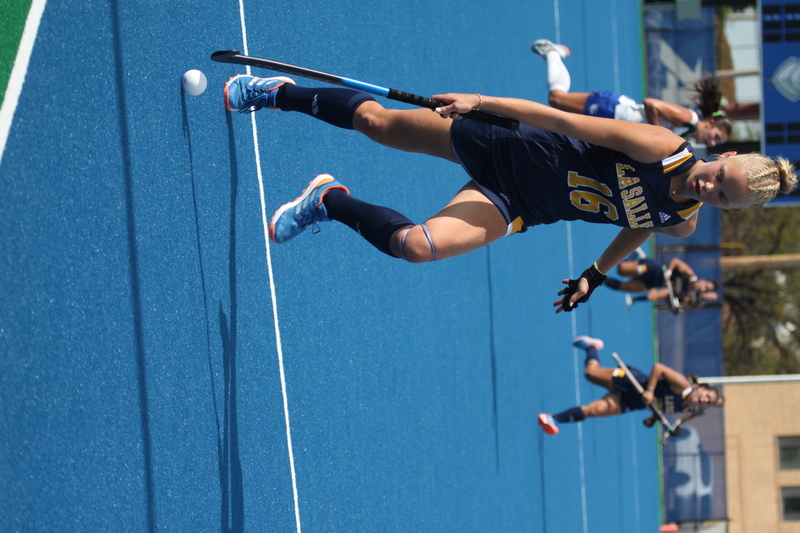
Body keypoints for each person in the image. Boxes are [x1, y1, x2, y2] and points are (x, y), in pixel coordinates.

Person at [223, 72, 796, 313]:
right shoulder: (658, 145)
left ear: (724, 210)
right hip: (509, 145)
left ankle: (327, 201)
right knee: (378, 124)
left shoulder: (684, 219)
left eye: (723, 196)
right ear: (722, 157)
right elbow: (559, 119)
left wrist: (596, 274)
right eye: (721, 176)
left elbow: (642, 223)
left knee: (418, 247)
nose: (711, 186)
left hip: (522, 206)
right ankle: (278, 94)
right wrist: (481, 103)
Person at [531, 39, 732, 147]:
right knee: (557, 100)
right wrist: (658, 132)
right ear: (711, 122)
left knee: (559, 113)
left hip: (614, 123)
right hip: (614, 110)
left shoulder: (686, 135)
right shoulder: (688, 119)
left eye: (716, 142)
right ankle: (554, 54)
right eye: (715, 136)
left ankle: (554, 54)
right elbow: (651, 103)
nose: (711, 142)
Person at [538, 336, 723, 435]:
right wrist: (650, 390)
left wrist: (653, 419)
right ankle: (592, 347)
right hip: (630, 382)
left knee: (593, 411)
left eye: (707, 402)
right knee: (590, 374)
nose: (703, 400)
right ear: (702, 388)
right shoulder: (683, 386)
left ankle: (552, 419)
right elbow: (658, 368)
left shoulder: (683, 407)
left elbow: (658, 406)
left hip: (631, 403)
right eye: (707, 396)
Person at [606, 255, 719, 311]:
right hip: (652, 270)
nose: (703, 289)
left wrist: (681, 304)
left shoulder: (688, 294)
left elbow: (683, 306)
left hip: (652, 283)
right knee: (621, 270)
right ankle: (636, 256)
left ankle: (598, 279)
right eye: (705, 286)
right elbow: (675, 261)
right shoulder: (690, 275)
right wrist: (669, 272)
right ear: (703, 280)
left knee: (623, 287)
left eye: (706, 290)